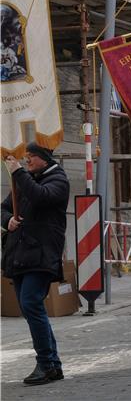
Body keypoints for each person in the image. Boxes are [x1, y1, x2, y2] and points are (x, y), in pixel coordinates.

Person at [1, 145, 69, 385]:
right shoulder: (26, 179)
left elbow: (40, 196)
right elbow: (5, 207)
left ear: (44, 159)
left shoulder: (58, 179)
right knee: (29, 307)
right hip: (20, 253)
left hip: (41, 254)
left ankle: (45, 363)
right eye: (26, 157)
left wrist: (18, 172)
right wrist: (7, 220)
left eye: (31, 157)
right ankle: (52, 365)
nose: (27, 161)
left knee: (31, 303)